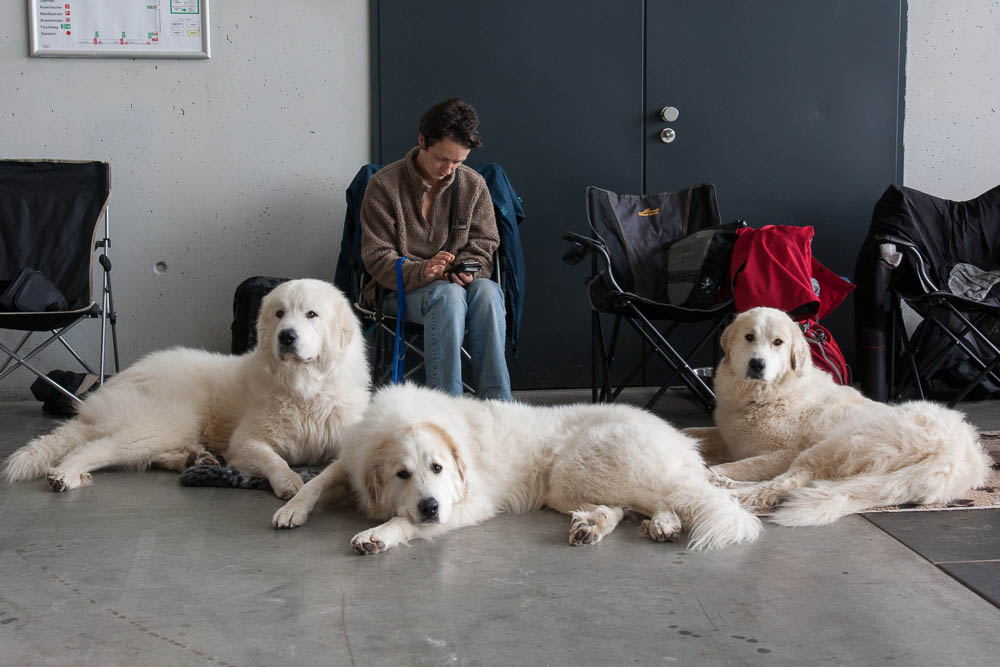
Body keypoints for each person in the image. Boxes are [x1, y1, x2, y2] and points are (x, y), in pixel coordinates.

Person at [360, 98, 512, 401]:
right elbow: (377, 258)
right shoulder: (383, 186)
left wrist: (467, 268)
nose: (450, 169)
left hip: (457, 287)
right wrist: (423, 270)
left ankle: (499, 407)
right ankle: (446, 407)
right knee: (448, 296)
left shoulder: (474, 185)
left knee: (488, 292)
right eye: (443, 159)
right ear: (421, 142)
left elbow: (485, 244)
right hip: (397, 291)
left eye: (459, 162)